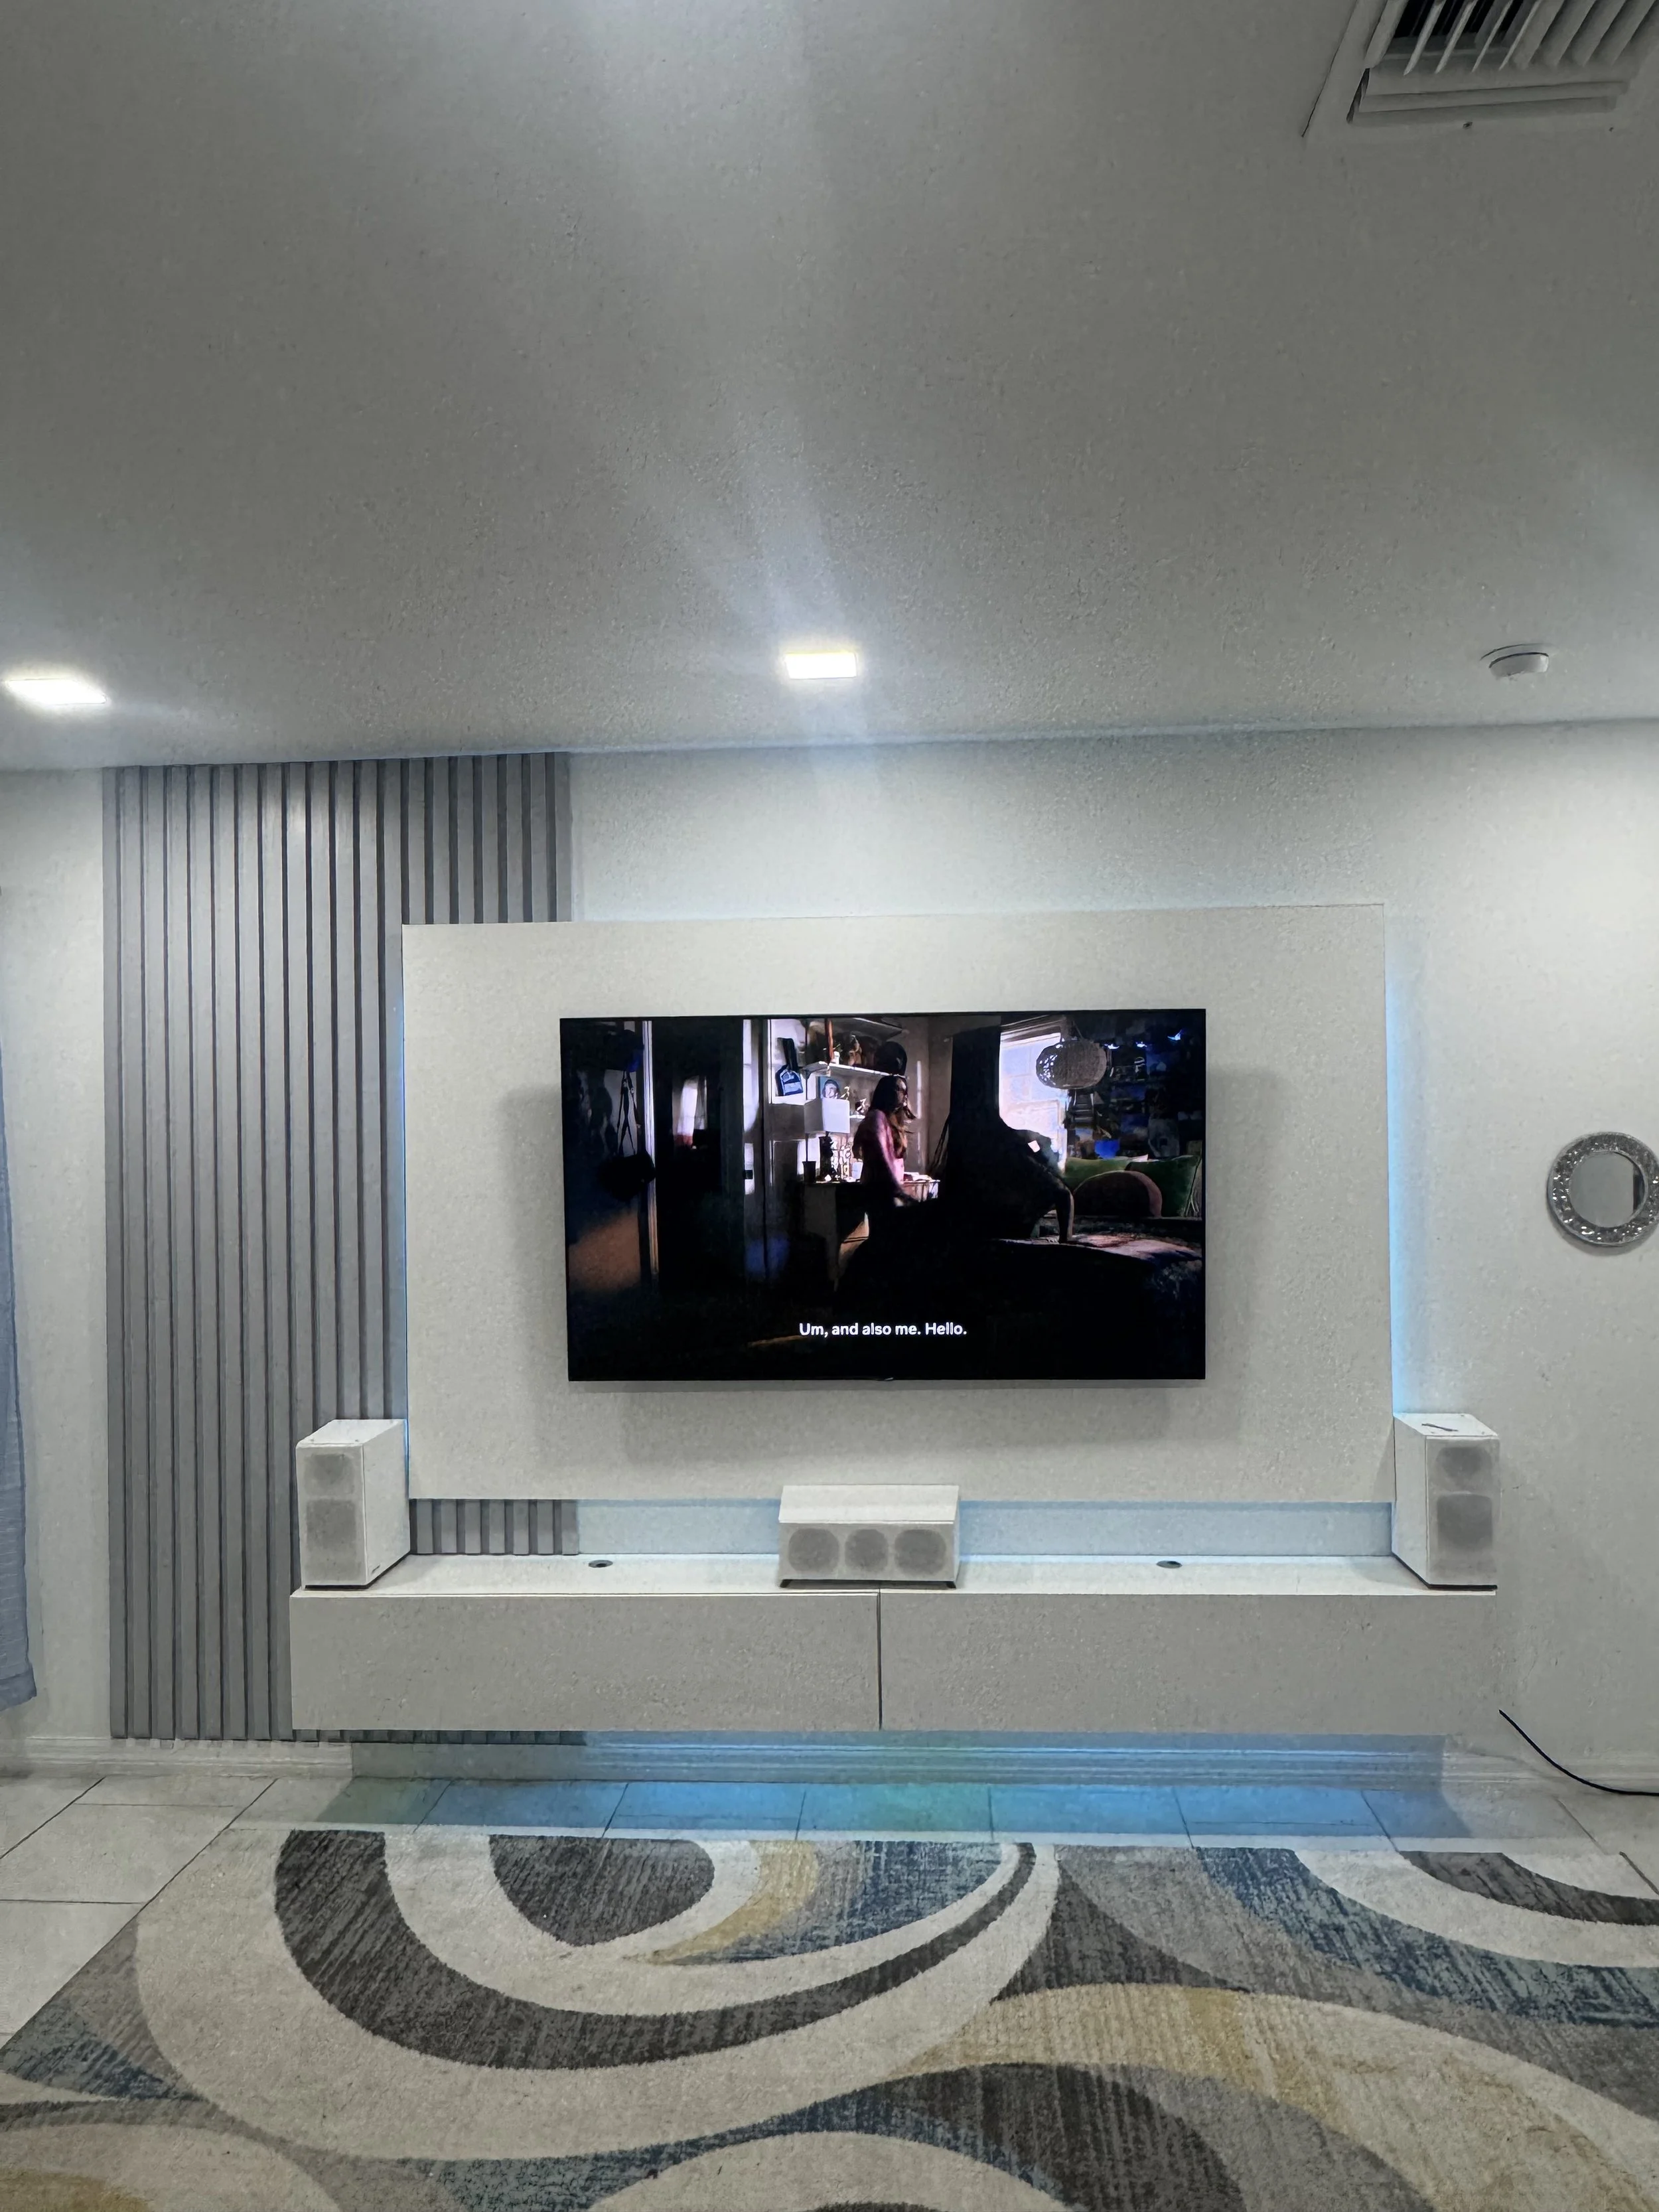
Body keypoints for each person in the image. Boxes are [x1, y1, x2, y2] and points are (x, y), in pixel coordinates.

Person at [852, 1074, 909, 1238]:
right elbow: (882, 1160)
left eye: (905, 1091)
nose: (904, 1095)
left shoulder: (890, 1121)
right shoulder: (876, 1117)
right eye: (900, 1090)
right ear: (887, 1092)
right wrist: (900, 1192)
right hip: (881, 1194)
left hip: (888, 1192)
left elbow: (891, 1161)